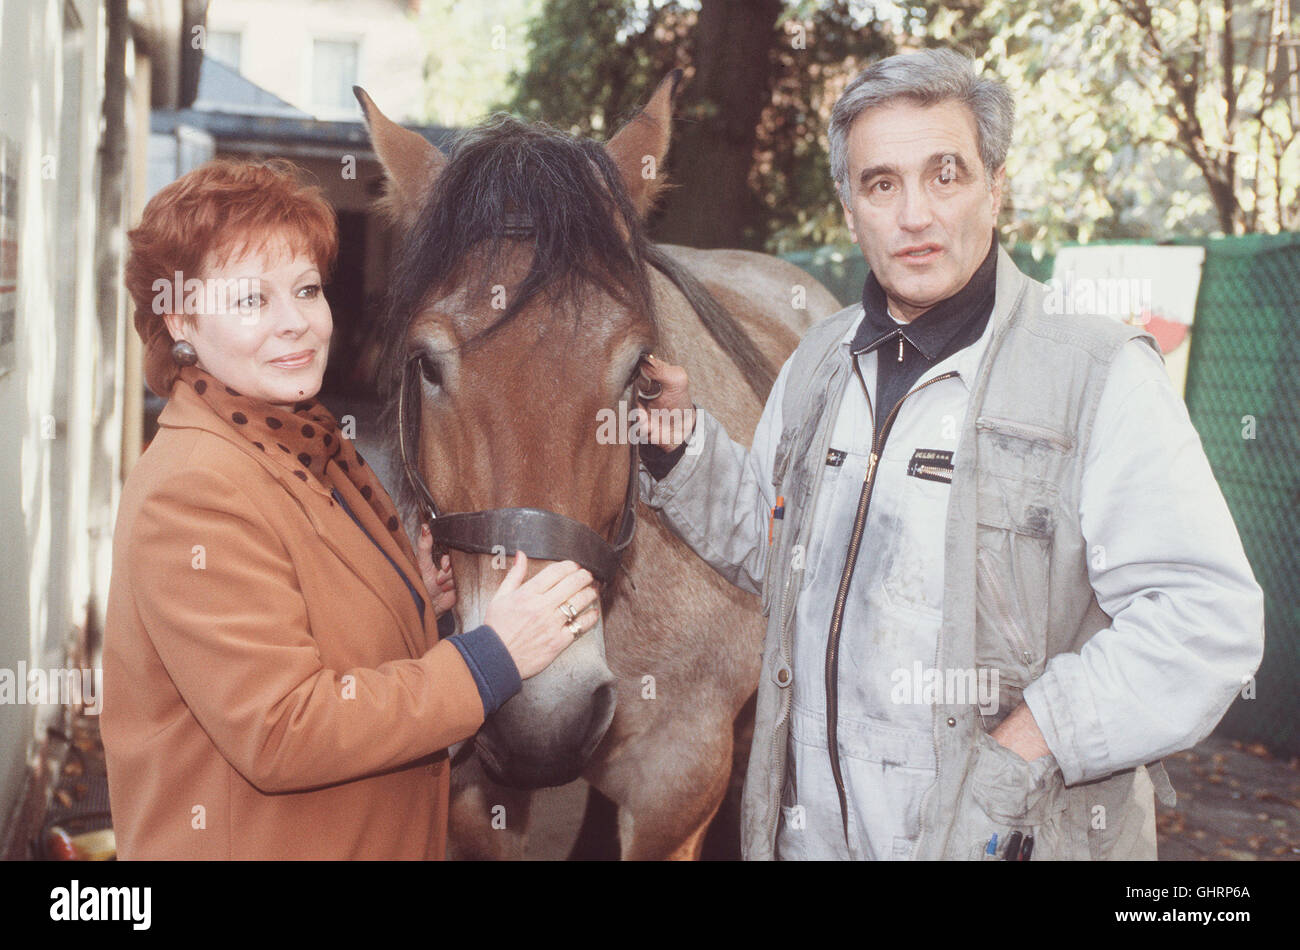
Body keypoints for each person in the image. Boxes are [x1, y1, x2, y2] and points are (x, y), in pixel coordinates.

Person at [635, 48, 1265, 860]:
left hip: (1007, 836)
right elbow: (776, 550)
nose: (916, 216)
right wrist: (682, 447)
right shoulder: (818, 364)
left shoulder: (1097, 375)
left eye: (946, 175)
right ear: (850, 206)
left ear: (995, 188)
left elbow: (1206, 619)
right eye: (882, 184)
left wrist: (1034, 740)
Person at [101, 159, 599, 859]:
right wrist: (492, 658)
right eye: (251, 300)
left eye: (306, 290)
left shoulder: (297, 438)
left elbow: (303, 613)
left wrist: (408, 599)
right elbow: (283, 730)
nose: (295, 324)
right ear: (181, 317)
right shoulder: (194, 490)